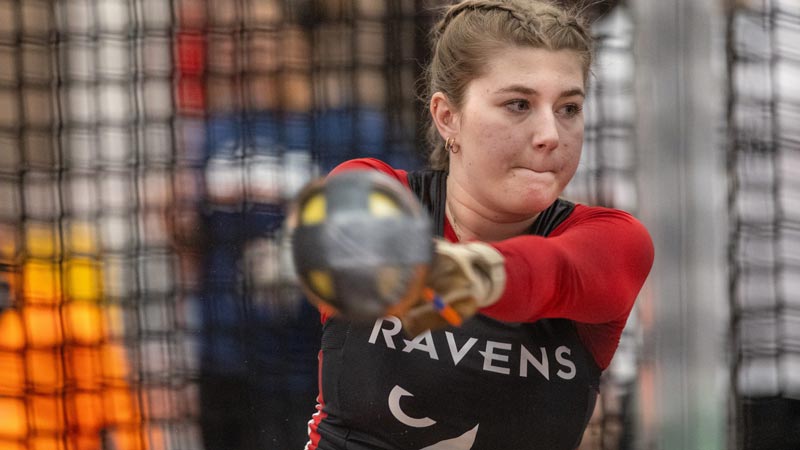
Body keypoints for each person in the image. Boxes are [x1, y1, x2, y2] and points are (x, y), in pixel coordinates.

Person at [301, 1, 654, 449]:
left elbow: (553, 271)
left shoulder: (614, 240)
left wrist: (469, 275)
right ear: (448, 116)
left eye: (568, 108)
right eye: (518, 104)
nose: (550, 134)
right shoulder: (375, 189)